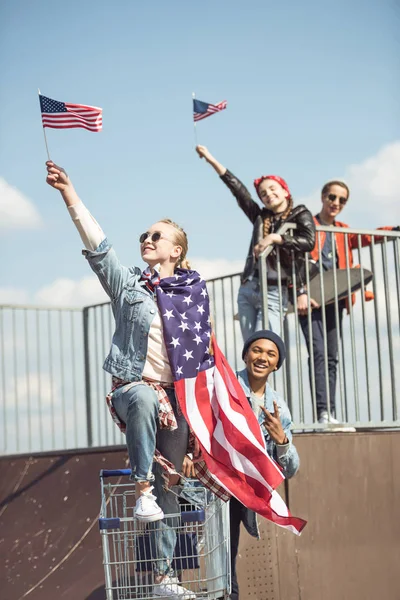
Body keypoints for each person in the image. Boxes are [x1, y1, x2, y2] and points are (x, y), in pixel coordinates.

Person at [45, 161, 196, 599]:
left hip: (176, 398)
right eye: (144, 237)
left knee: (174, 487)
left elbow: (205, 359)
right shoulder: (129, 285)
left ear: (177, 252)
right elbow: (98, 246)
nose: (147, 241)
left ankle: (164, 579)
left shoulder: (192, 296)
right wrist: (68, 191)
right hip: (132, 387)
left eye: (156, 237)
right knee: (146, 403)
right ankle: (141, 488)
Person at [182, 330, 299, 600]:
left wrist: (281, 440)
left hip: (234, 492)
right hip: (200, 482)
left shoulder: (277, 405)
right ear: (246, 354)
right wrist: (188, 453)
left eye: (271, 354)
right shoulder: (223, 382)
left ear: (277, 364)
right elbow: (194, 414)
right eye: (257, 350)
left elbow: (291, 469)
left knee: (225, 564)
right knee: (184, 557)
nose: (262, 357)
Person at [297, 180, 398, 426]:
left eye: (342, 200)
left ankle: (330, 412)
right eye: (332, 197)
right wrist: (299, 290)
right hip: (310, 299)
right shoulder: (309, 226)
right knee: (318, 353)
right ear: (323, 197)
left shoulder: (342, 229)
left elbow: (367, 237)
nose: (336, 203)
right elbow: (295, 260)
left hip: (336, 299)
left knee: (332, 356)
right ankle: (322, 411)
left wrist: (394, 229)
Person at [196, 145, 315, 338]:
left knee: (264, 345)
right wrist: (210, 159)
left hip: (275, 289)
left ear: (285, 191)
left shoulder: (300, 213)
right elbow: (238, 190)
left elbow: (309, 241)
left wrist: (276, 238)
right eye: (263, 193)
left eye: (272, 189)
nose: (268, 194)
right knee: (250, 349)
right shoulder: (260, 217)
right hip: (249, 287)